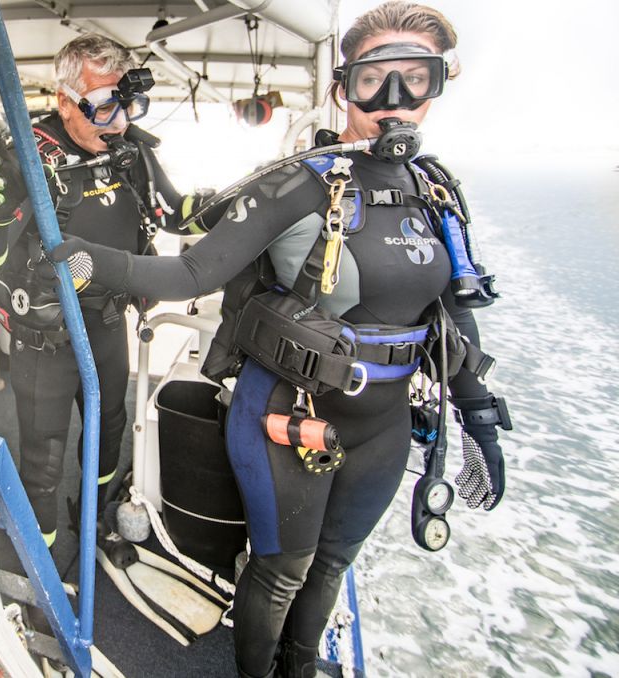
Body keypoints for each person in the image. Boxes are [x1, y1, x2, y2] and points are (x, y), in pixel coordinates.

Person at [49, 3, 510, 676]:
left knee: (331, 565)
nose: (393, 101)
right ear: (343, 89)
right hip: (287, 417)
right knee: (282, 571)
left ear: (437, 87)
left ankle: (300, 666)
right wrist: (88, 260)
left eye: (415, 80)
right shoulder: (299, 182)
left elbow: (454, 316)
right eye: (373, 81)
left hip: (382, 428)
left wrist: (481, 418)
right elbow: (193, 272)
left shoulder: (435, 191)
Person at [0, 34, 216, 547]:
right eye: (104, 106)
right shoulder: (24, 159)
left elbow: (176, 213)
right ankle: (41, 555)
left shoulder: (130, 151)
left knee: (110, 430)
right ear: (65, 101)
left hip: (108, 324)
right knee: (43, 456)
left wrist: (237, 207)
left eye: (128, 105)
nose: (120, 122)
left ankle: (93, 517)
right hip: (46, 339)